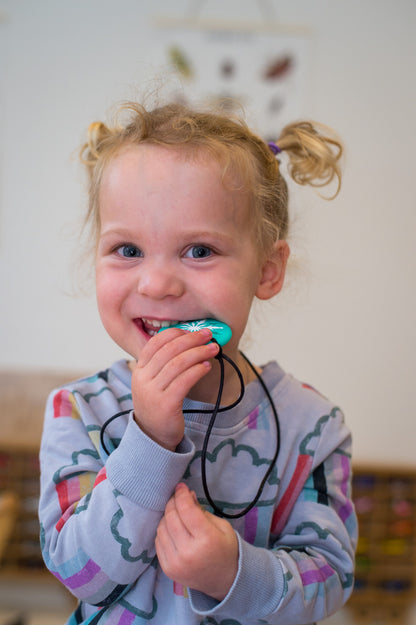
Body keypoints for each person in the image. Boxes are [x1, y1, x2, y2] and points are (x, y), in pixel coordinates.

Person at [39, 100, 357, 625]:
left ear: (267, 271)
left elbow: (331, 579)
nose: (158, 284)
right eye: (128, 250)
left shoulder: (313, 426)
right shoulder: (77, 410)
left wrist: (233, 571)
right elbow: (79, 572)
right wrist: (148, 440)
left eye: (200, 251)